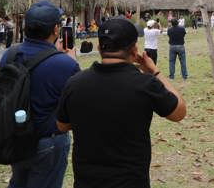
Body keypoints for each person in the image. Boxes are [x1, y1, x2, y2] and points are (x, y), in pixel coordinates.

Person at [56, 18, 186, 187]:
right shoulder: (145, 84)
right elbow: (179, 112)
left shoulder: (75, 83)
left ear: (99, 48)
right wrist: (154, 71)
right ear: (134, 51)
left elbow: (62, 126)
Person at [0, 0, 80, 188]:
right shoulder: (65, 64)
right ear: (56, 30)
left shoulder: (9, 55)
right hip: (48, 140)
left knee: (19, 182)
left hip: (17, 137)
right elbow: (79, 99)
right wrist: (70, 60)